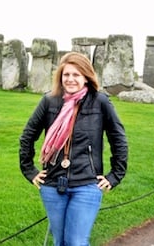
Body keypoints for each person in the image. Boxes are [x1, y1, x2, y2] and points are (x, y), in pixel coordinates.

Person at [19, 52, 128, 246]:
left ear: (86, 77)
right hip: (52, 184)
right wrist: (29, 170)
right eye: (66, 74)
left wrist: (115, 175)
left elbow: (118, 138)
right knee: (60, 241)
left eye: (76, 75)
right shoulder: (49, 101)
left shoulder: (100, 101)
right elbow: (28, 136)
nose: (70, 79)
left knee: (75, 242)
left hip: (86, 184)